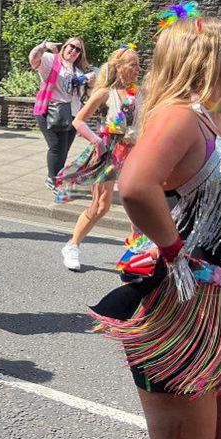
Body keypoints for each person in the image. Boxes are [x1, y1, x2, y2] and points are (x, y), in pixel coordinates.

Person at [90, 13, 221, 439]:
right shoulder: (181, 117)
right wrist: (174, 252)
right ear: (209, 60)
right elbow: (135, 185)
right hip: (187, 310)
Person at [56, 45, 139, 272]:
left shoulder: (140, 93)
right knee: (101, 206)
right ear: (119, 67)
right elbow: (79, 121)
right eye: (133, 64)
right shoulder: (105, 93)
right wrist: (97, 141)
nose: (138, 69)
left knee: (137, 205)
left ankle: (135, 254)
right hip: (110, 151)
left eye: (138, 64)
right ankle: (72, 245)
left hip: (134, 152)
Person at [30, 37, 94, 191]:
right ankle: (53, 180)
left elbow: (82, 96)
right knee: (56, 147)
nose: (74, 51)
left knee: (64, 149)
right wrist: (43, 45)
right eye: (71, 46)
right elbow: (33, 59)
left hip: (72, 114)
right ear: (65, 47)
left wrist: (89, 84)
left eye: (78, 49)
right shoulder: (51, 60)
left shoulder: (78, 71)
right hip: (52, 110)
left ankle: (56, 177)